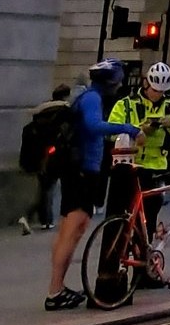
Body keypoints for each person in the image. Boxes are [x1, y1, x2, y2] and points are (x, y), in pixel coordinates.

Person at [45, 60, 138, 311]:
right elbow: (94, 126)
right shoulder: (92, 99)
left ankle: (59, 288)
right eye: (117, 81)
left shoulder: (87, 97)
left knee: (74, 228)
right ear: (109, 82)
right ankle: (55, 291)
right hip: (81, 172)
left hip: (82, 171)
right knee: (71, 229)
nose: (119, 85)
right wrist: (127, 127)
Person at [108, 62, 170, 286]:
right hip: (131, 166)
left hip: (156, 167)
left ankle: (143, 271)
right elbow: (111, 129)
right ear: (145, 84)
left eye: (162, 93)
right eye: (155, 91)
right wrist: (138, 128)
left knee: (149, 219)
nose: (158, 96)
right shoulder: (127, 104)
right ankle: (122, 265)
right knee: (128, 218)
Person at [18, 85, 71, 234]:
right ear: (66, 96)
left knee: (45, 188)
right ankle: (41, 219)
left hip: (39, 155)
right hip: (53, 155)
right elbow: (62, 134)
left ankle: (40, 218)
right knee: (48, 189)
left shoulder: (42, 111)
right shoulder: (63, 112)